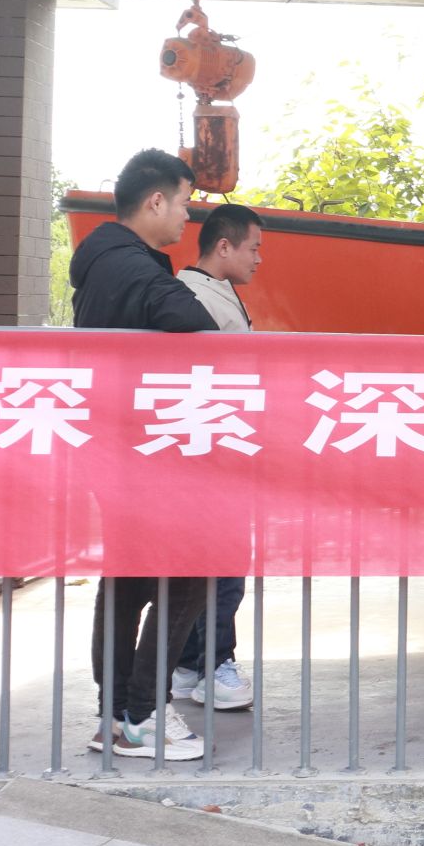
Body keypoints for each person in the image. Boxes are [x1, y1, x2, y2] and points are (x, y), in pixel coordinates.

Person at [72, 149, 218, 761]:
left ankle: (114, 716)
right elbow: (191, 318)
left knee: (128, 580)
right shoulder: (131, 267)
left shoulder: (104, 261)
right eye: (184, 202)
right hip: (146, 454)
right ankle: (144, 714)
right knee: (189, 574)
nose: (187, 216)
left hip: (118, 451)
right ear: (155, 200)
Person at [166, 204, 264, 712]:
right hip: (212, 454)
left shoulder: (211, 291)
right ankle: (215, 665)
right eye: (254, 248)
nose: (258, 259)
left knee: (205, 564)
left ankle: (188, 664)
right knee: (223, 567)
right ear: (223, 246)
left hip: (215, 449)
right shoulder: (192, 297)